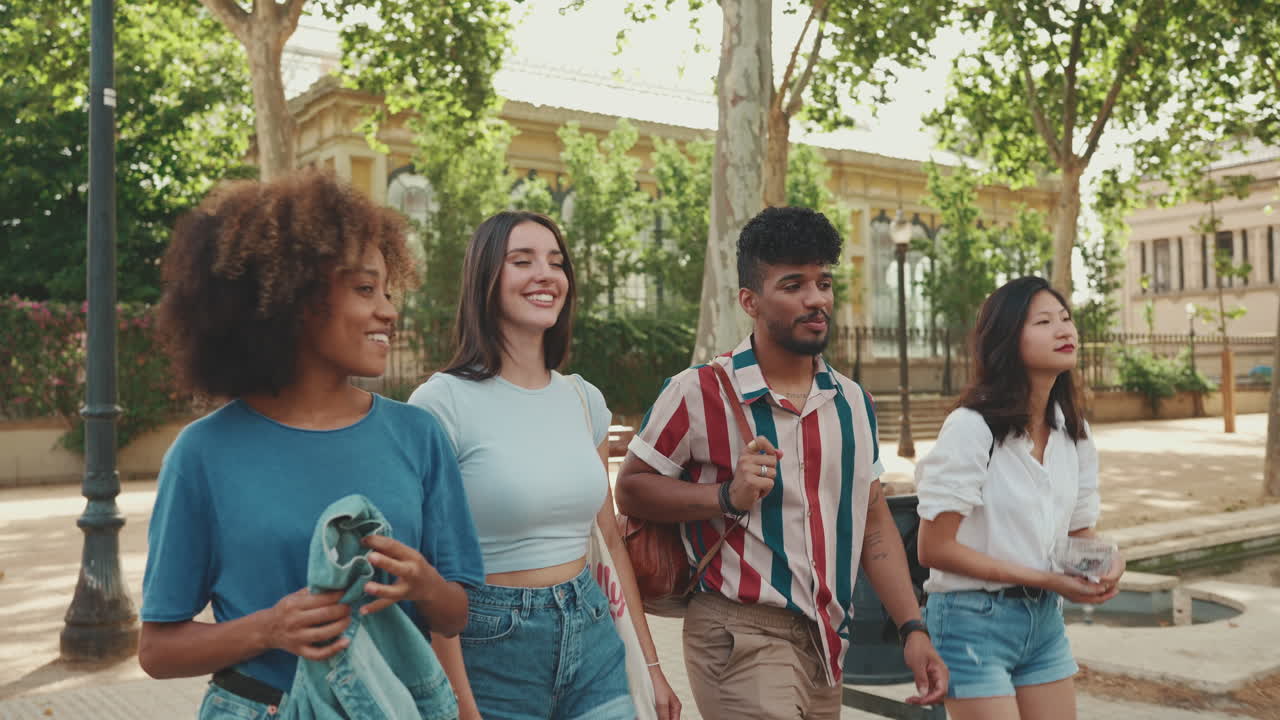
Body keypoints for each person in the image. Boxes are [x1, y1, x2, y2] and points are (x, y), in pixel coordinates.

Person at [138, 172, 484, 718]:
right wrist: (269, 629)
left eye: (389, 292)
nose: (390, 312)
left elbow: (458, 614)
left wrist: (424, 584)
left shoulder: (418, 436)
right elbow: (157, 651)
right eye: (366, 289)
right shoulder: (202, 453)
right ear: (297, 298)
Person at [615, 206, 947, 720]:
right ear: (750, 300)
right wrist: (724, 496)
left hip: (826, 640)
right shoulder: (699, 391)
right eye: (793, 285)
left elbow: (873, 518)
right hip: (739, 631)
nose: (816, 300)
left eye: (823, 282)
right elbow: (631, 489)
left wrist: (912, 629)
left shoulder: (852, 401)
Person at [407, 211, 680, 720]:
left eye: (556, 262)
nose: (546, 274)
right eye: (522, 260)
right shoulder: (440, 402)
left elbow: (610, 540)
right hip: (489, 645)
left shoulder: (583, 399)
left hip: (592, 628)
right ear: (486, 278)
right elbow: (424, 561)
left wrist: (652, 664)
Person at [915, 275, 1126, 720]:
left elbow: (1079, 532)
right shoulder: (971, 428)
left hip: (1044, 621)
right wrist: (1047, 578)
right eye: (1045, 322)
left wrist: (1106, 561)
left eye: (1066, 319)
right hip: (970, 619)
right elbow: (933, 547)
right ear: (1009, 339)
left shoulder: (1075, 431)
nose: (1065, 330)